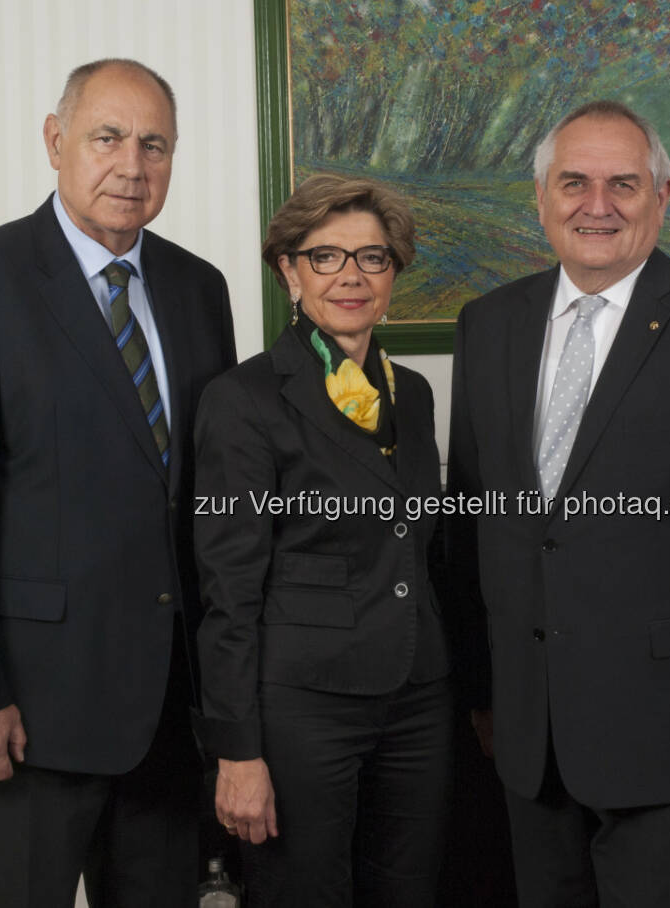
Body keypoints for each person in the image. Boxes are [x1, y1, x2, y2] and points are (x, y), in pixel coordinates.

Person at [445, 100, 670, 905]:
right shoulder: (488, 326)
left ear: (663, 196)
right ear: (539, 197)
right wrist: (482, 691)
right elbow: (472, 528)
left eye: (623, 184)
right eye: (573, 182)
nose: (596, 205)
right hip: (529, 740)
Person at [0, 58, 237, 906]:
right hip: (25, 719)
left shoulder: (202, 289)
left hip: (167, 715)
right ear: (56, 142)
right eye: (108, 137)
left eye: (155, 144)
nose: (133, 165)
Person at [193, 174, 452, 907]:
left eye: (373, 258)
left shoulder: (416, 393)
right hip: (303, 706)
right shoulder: (242, 400)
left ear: (393, 272)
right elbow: (229, 588)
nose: (351, 276)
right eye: (326, 256)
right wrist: (237, 749)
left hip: (419, 697)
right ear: (289, 270)